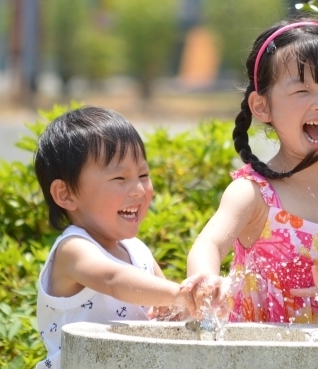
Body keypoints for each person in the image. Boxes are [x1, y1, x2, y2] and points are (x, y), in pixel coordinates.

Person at [186, 3, 318, 368]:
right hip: (264, 348)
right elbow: (210, 242)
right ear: (262, 107)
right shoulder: (254, 194)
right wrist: (205, 280)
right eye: (301, 91)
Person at [34, 106, 199, 369]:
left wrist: (177, 310)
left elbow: (166, 304)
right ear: (65, 194)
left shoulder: (138, 251)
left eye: (143, 175)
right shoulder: (73, 249)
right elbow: (112, 279)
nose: (138, 190)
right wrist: (178, 294)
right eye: (120, 177)